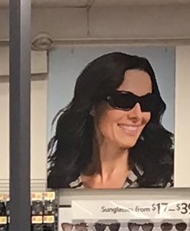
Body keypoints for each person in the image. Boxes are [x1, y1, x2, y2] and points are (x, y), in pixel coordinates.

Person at [45, 52, 175, 190]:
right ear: (93, 105)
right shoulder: (58, 184)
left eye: (147, 102)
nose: (137, 115)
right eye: (124, 100)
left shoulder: (168, 180)